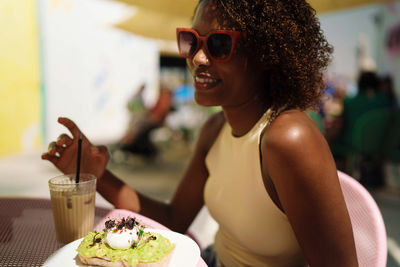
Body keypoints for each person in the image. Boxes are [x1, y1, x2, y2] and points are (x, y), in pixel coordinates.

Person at [42, 0, 358, 266]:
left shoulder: (289, 139)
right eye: (191, 40)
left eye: (219, 44)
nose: (197, 58)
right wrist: (99, 175)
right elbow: (174, 218)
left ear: (267, 54)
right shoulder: (215, 129)